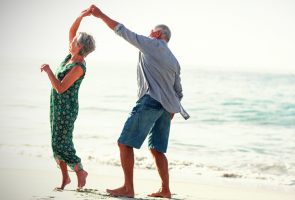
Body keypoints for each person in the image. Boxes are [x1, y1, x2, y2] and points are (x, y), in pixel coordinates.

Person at [89, 4, 189, 198]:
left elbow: (122, 31)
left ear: (158, 34)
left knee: (124, 143)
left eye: (151, 31)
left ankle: (128, 188)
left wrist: (100, 15)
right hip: (166, 109)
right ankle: (166, 190)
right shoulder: (174, 60)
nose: (148, 34)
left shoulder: (152, 44)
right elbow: (179, 91)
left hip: (150, 101)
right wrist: (171, 112)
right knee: (157, 149)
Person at [40, 9, 95, 190]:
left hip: (67, 107)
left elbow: (61, 87)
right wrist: (81, 16)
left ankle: (80, 170)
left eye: (74, 42)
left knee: (61, 142)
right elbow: (71, 31)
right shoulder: (70, 57)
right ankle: (65, 178)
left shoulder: (79, 66)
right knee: (55, 141)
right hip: (56, 105)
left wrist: (48, 71)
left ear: (80, 47)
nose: (70, 42)